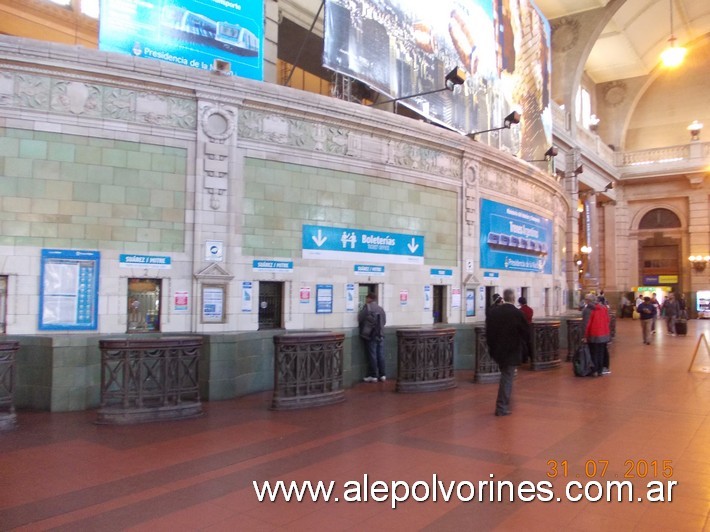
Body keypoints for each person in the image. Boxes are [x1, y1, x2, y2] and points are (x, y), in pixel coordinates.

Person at [485, 289, 531, 416]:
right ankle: (501, 407)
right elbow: (526, 333)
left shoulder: (494, 312)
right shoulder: (517, 313)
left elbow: (488, 332)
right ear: (513, 298)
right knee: (507, 377)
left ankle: (505, 401)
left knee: (506, 375)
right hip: (511, 351)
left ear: (504, 298)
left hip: (497, 350)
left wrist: (492, 347)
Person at [358, 292, 387, 382]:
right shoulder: (381, 309)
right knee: (381, 355)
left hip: (371, 335)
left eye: (366, 298)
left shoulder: (367, 307)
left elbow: (360, 318)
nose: (366, 300)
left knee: (372, 355)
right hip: (381, 334)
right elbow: (384, 321)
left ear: (369, 298)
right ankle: (382, 375)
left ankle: (373, 375)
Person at [584, 295, 611, 376]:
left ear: (588, 300)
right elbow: (607, 320)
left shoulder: (588, 310)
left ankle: (594, 370)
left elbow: (586, 324)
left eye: (585, 299)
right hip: (604, 333)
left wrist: (584, 336)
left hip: (593, 333)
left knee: (593, 352)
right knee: (601, 352)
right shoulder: (603, 308)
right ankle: (600, 370)